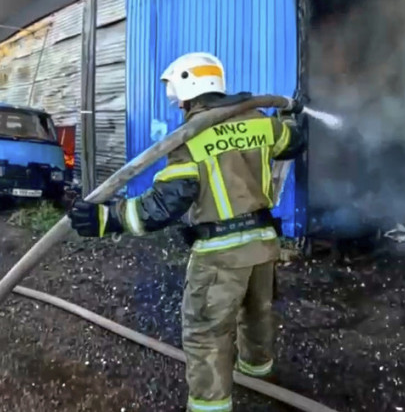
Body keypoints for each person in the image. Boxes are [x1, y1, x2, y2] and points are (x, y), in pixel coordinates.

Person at [69, 52, 306, 412]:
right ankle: (259, 378)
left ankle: (211, 406)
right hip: (263, 245)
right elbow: (294, 141)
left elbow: (164, 204)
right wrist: (289, 113)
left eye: (176, 95)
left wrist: (107, 218)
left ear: (188, 88)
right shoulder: (260, 121)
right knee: (257, 314)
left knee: (206, 333)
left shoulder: (190, 138)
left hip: (220, 254)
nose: (176, 103)